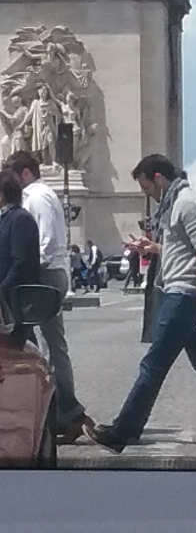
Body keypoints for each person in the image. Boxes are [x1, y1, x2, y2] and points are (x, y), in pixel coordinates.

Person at [84, 154, 196, 458]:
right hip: (182, 292)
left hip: (185, 295)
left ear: (158, 178)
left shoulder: (187, 202)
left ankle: (124, 430)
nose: (148, 193)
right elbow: (182, 249)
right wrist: (153, 248)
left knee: (154, 364)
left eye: (147, 186)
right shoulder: (173, 204)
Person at [5, 150, 94, 441]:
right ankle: (57, 410)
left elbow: (44, 241)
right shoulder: (41, 194)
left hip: (44, 275)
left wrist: (28, 270)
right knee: (40, 344)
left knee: (50, 347)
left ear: (25, 174)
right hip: (45, 274)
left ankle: (68, 411)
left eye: (12, 176)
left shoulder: (37, 197)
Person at [0, 168, 40, 315]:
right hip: (6, 298)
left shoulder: (20, 219)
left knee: (13, 337)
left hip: (13, 298)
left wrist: (3, 288)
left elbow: (20, 261)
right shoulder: (6, 218)